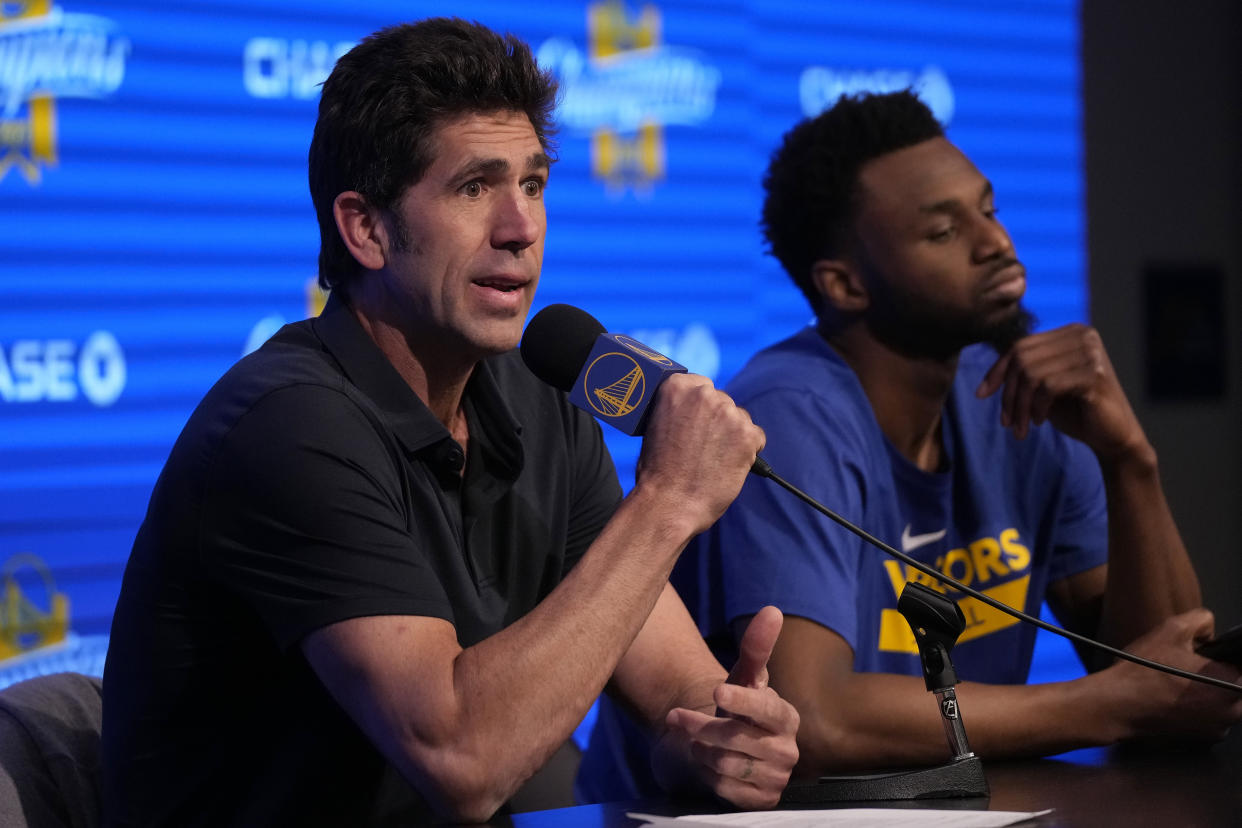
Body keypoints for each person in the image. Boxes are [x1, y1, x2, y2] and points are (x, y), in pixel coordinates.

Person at [100, 18, 799, 826]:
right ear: (365, 228)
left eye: (534, 185)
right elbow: (462, 759)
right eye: (476, 187)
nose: (521, 227)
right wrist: (670, 499)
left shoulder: (539, 403)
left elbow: (676, 690)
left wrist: (719, 739)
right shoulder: (286, 427)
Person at [578, 90, 1242, 797]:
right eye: (943, 232)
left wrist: (1129, 462)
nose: (998, 243)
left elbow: (1176, 690)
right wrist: (1105, 706)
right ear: (846, 283)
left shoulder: (1011, 394)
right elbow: (817, 723)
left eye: (988, 209)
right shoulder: (789, 413)